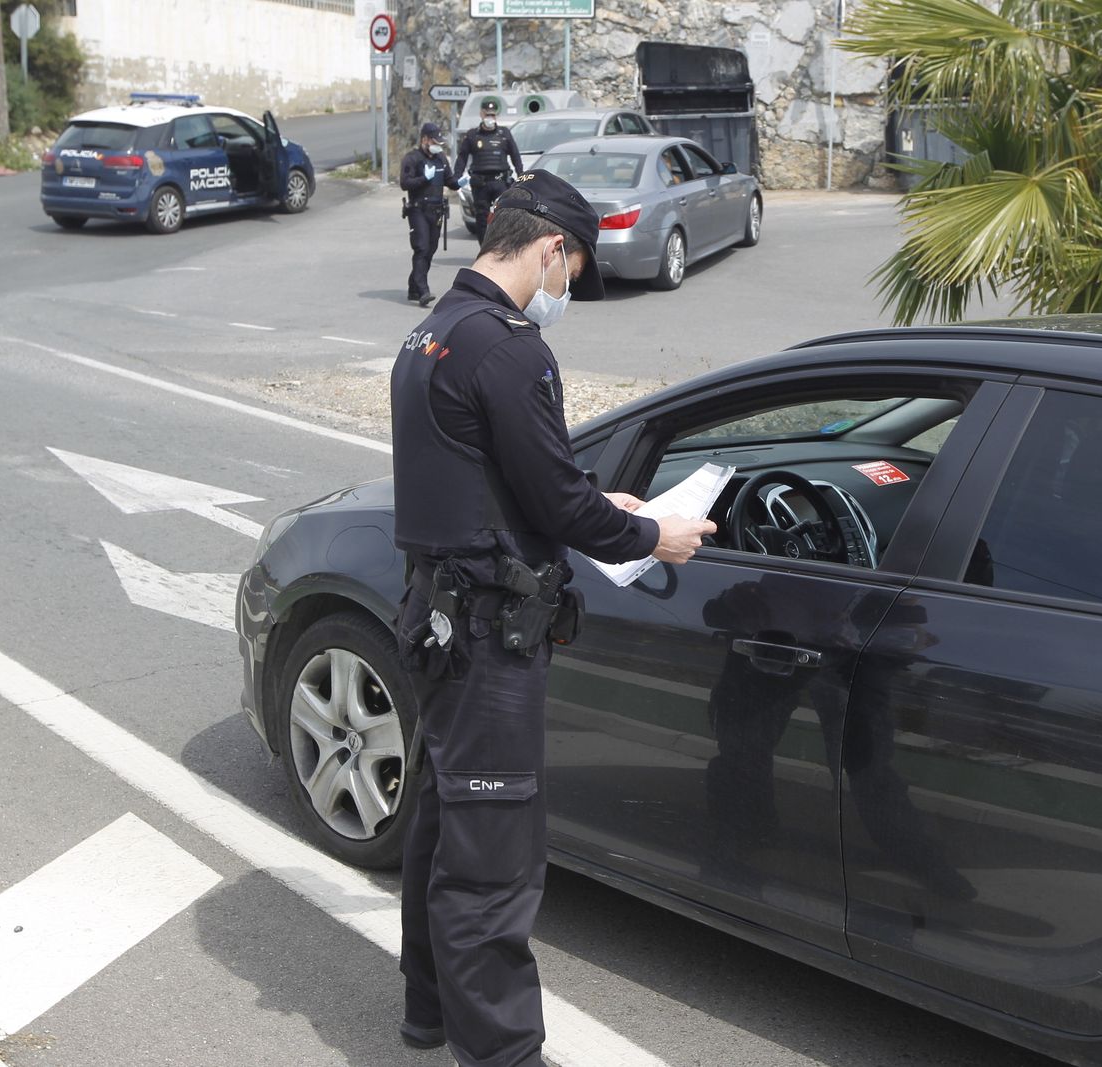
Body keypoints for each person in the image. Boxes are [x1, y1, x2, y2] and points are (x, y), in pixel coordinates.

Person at [389, 169, 715, 1067]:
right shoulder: (511, 348)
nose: (569, 287)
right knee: (493, 859)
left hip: (436, 614)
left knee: (442, 821)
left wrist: (582, 498)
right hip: (488, 635)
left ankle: (429, 1012)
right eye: (573, 269)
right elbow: (563, 512)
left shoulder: (434, 331)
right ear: (550, 249)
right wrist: (653, 531)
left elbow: (502, 480)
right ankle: (503, 1054)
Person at [399, 122, 457, 306]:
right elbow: (405, 183)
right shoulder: (412, 158)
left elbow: (449, 180)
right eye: (434, 141)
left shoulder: (440, 158)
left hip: (437, 210)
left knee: (429, 251)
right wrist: (424, 178)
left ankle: (413, 287)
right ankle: (423, 291)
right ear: (424, 139)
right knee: (421, 248)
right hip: (418, 209)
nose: (437, 145)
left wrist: (462, 182)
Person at [452, 99, 523, 244]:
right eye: (487, 114)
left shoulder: (504, 134)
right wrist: (456, 177)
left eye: (492, 115)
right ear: (481, 114)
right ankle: (483, 250)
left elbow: (515, 156)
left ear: (496, 116)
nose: (490, 118)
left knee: (504, 215)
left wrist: (521, 175)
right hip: (480, 183)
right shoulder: (472, 135)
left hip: (500, 182)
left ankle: (502, 248)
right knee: (481, 217)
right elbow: (462, 158)